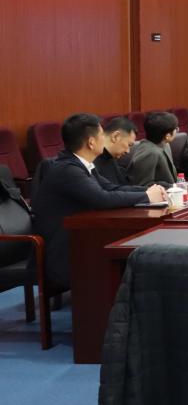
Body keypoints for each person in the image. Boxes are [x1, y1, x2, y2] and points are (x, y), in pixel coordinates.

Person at [31, 114, 165, 290]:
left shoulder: (82, 165)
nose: (105, 137)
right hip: (62, 250)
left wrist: (150, 191)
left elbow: (111, 188)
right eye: (102, 134)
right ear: (91, 142)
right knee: (124, 256)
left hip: (78, 239)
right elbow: (102, 198)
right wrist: (147, 197)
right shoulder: (68, 170)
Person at [128, 111, 180, 187]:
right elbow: (143, 185)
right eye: (176, 129)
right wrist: (170, 186)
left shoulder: (165, 144)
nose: (177, 130)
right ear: (167, 136)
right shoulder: (149, 153)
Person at [95, 116, 138, 187]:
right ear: (115, 136)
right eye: (129, 145)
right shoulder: (93, 161)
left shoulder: (110, 157)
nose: (128, 151)